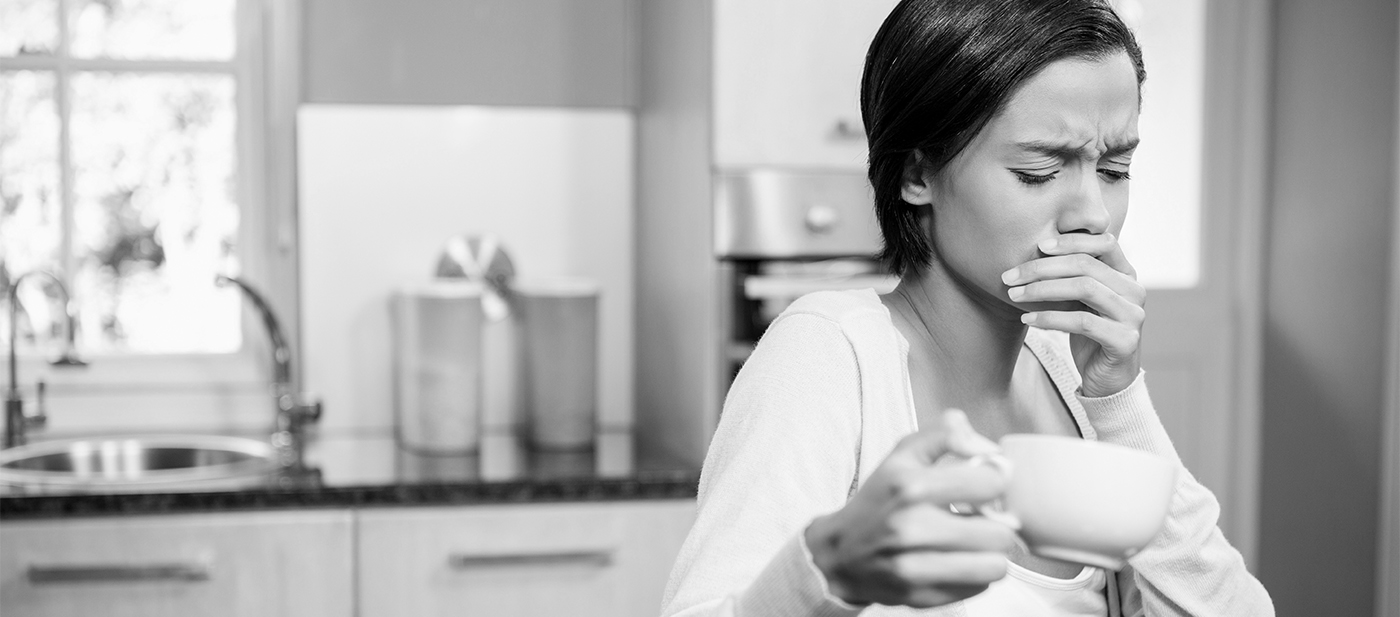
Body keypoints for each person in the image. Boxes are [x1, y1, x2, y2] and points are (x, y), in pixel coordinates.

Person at [659, 0, 1274, 615]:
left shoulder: (1070, 376)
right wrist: (827, 572)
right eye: (1038, 171)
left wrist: (1119, 402)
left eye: (1115, 168)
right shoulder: (828, 355)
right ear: (918, 173)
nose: (1092, 215)